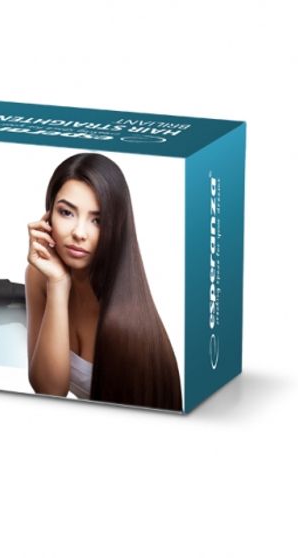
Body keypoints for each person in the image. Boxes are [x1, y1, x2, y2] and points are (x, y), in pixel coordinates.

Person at [25, 153, 182, 411]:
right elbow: (49, 391)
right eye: (66, 212)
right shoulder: (41, 277)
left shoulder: (127, 319)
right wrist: (58, 284)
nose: (79, 233)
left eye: (97, 220)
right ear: (48, 215)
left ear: (116, 226)